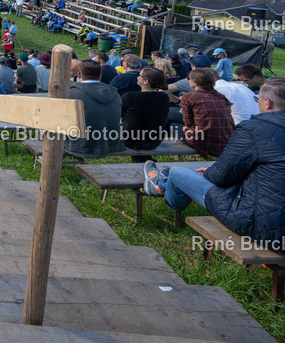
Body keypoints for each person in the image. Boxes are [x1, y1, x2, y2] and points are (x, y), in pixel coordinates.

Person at [143, 78, 285, 248]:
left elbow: (221, 178)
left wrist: (211, 172)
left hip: (263, 227)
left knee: (178, 172)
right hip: (271, 216)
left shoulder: (254, 129)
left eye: (258, 99)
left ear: (267, 103)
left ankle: (161, 185)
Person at [64, 59, 126, 159]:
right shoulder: (115, 94)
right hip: (109, 144)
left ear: (78, 74)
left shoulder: (70, 93)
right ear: (100, 75)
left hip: (77, 145)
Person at [179, 69, 235, 157]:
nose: (188, 80)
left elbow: (188, 123)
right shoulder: (220, 96)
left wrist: (187, 129)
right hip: (226, 142)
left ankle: (163, 149)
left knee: (172, 122)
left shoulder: (188, 96)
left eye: (189, 78)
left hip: (205, 143)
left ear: (195, 82)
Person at [121, 67, 170, 152]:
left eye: (139, 75)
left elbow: (118, 114)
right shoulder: (164, 97)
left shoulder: (129, 97)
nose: (137, 77)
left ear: (146, 81)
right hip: (154, 142)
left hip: (131, 141)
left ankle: (141, 158)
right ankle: (144, 158)